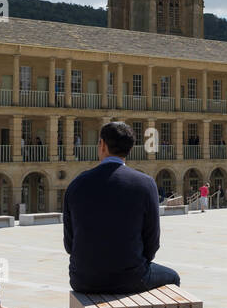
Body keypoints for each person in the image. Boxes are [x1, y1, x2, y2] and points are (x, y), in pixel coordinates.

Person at [62, 121, 180, 296]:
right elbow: (152, 241)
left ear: (102, 145)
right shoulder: (145, 184)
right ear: (130, 149)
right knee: (173, 277)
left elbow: (70, 243)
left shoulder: (77, 184)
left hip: (83, 279)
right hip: (131, 277)